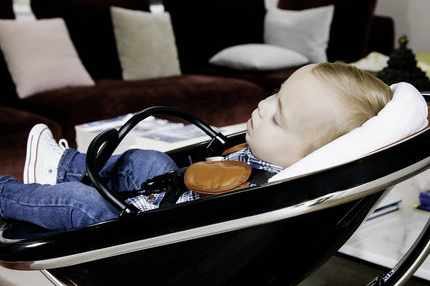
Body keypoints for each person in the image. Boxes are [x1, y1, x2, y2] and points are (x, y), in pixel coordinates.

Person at [0, 62, 393, 230]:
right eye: (275, 93)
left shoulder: (270, 197)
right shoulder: (275, 157)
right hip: (172, 192)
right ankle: (63, 164)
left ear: (311, 158)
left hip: (142, 235)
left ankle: (8, 193)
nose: (263, 105)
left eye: (277, 117)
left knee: (82, 206)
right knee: (147, 160)